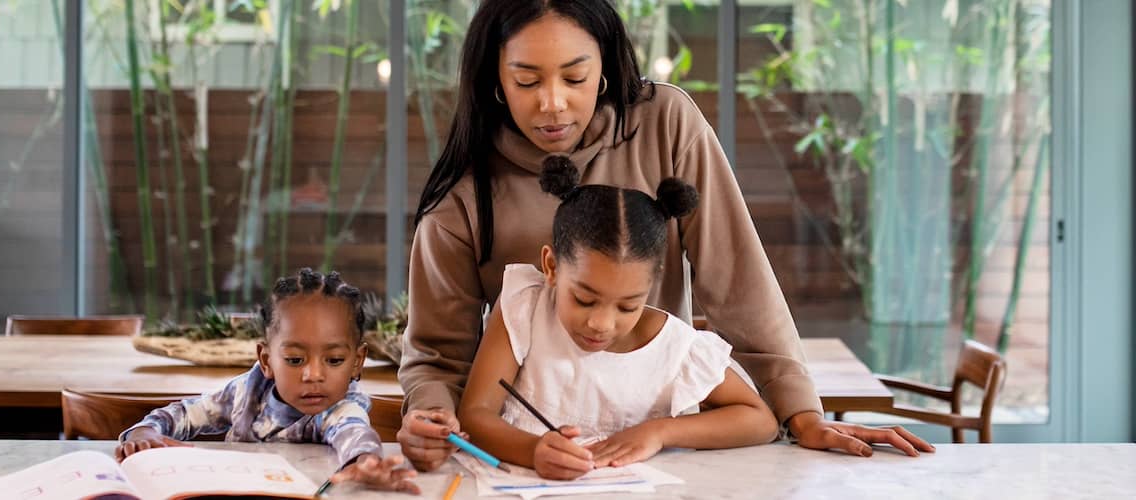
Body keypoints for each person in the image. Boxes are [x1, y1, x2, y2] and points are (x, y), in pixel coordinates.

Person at [398, 0, 933, 472]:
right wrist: (430, 415)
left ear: (604, 67)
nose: (553, 103)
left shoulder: (666, 123)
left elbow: (737, 278)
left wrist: (803, 415)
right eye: (527, 80)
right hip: (528, 462)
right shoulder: (463, 197)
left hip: (657, 459)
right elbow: (438, 357)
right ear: (496, 80)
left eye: (575, 77)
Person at [458, 159, 778, 480]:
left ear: (650, 284)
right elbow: (475, 414)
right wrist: (533, 450)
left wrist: (659, 432)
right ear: (551, 267)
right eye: (584, 299)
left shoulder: (673, 347)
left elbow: (760, 421)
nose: (602, 323)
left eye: (627, 306)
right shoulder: (525, 305)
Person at [118, 268, 419, 494]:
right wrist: (144, 432)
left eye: (335, 360)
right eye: (295, 360)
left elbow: (354, 433)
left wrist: (365, 461)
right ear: (266, 360)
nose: (313, 375)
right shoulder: (245, 393)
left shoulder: (340, 408)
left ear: (357, 362)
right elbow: (185, 413)